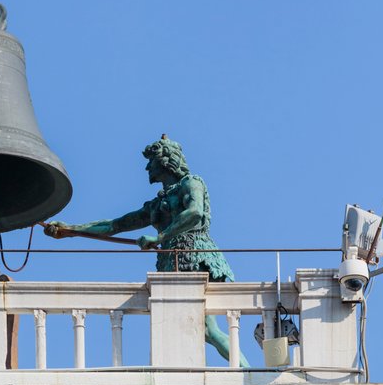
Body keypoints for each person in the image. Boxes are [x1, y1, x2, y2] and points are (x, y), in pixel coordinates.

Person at [44, 135, 246, 364]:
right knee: (187, 328)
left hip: (194, 255)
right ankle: (220, 372)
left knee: (207, 328)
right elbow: (115, 225)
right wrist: (71, 230)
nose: (147, 167)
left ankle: (245, 370)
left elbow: (194, 212)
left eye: (151, 161)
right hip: (171, 261)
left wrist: (160, 236)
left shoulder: (191, 183)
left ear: (165, 161)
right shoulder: (156, 204)